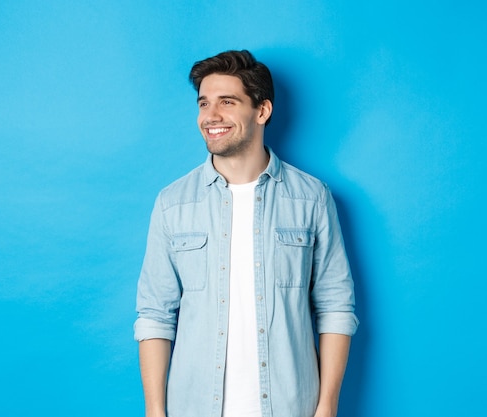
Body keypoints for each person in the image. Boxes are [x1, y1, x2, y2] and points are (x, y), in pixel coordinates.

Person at [134, 50, 358, 417]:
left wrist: (327, 406)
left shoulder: (311, 198)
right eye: (204, 103)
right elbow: (155, 315)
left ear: (262, 111)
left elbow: (335, 306)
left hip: (290, 406)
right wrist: (155, 412)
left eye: (227, 102)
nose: (211, 116)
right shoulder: (172, 203)